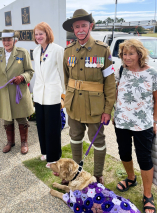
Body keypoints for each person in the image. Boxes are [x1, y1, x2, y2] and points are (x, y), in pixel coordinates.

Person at [62, 9, 116, 184]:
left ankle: (98, 174)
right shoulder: (68, 50)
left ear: (90, 26)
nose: (80, 29)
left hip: (95, 107)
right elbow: (67, 78)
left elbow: (110, 82)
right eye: (77, 27)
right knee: (75, 138)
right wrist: (67, 99)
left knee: (98, 141)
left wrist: (108, 109)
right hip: (74, 104)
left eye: (84, 25)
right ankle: (76, 174)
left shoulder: (103, 50)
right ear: (73, 29)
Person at [114, 39, 156, 213]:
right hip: (122, 121)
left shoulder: (152, 73)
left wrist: (155, 120)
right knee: (124, 152)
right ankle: (131, 178)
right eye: (124, 53)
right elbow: (117, 92)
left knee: (144, 158)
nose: (127, 57)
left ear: (140, 54)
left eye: (131, 53)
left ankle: (148, 195)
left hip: (143, 123)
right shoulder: (122, 70)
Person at [33, 22, 65, 168]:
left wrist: (64, 95)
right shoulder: (35, 51)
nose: (38, 36)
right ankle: (45, 152)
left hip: (53, 94)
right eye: (36, 34)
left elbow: (63, 74)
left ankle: (54, 157)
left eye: (41, 33)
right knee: (41, 125)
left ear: (47, 34)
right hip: (39, 95)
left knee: (52, 127)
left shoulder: (57, 50)